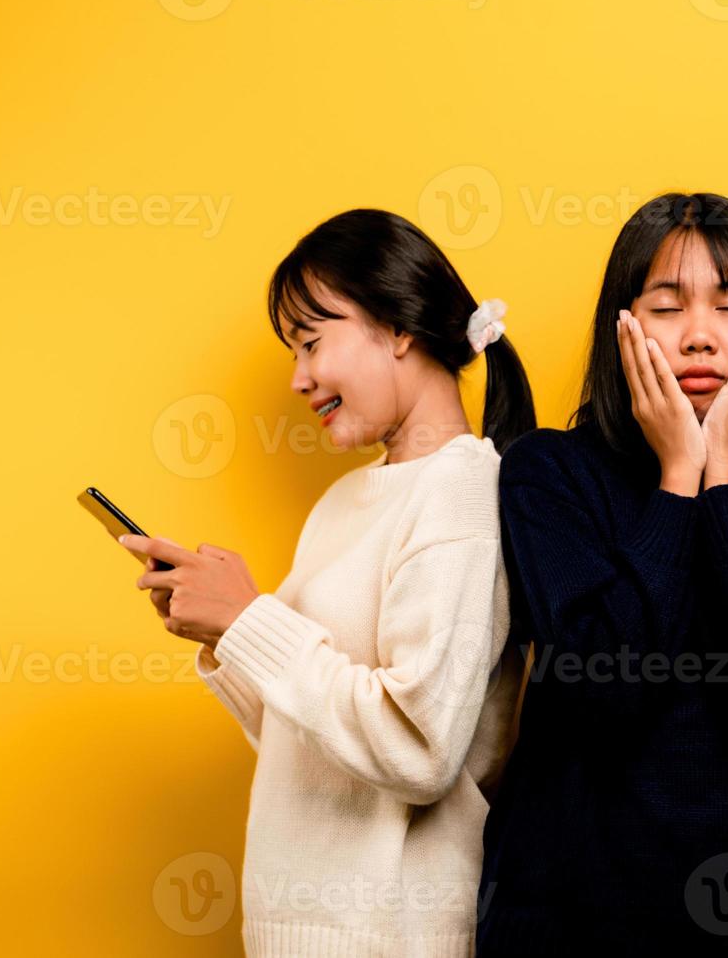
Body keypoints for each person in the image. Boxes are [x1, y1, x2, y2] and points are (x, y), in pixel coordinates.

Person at [123, 208, 533, 956]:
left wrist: (253, 621)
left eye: (312, 342)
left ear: (400, 327)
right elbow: (310, 739)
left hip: (391, 936)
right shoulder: (346, 499)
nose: (298, 377)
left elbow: (418, 752)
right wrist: (229, 635)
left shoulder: (460, 497)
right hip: (303, 932)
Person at [477, 193, 728, 955]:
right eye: (665, 306)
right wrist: (677, 476)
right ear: (621, 328)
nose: (697, 337)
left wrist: (723, 473)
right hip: (568, 915)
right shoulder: (547, 473)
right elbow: (603, 684)